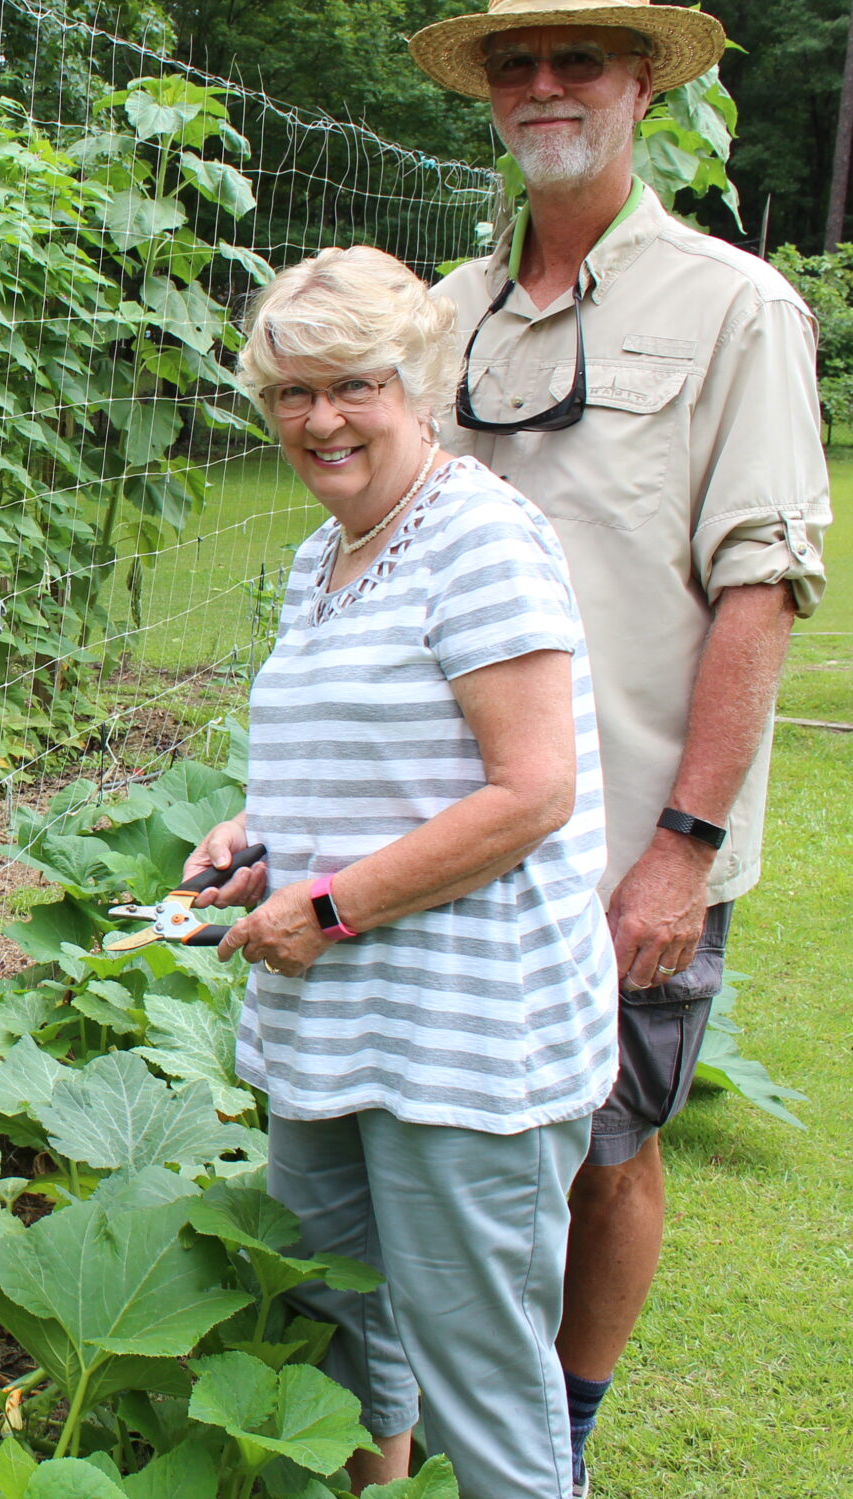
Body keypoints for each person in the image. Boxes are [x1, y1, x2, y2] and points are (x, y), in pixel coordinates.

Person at [408, 0, 829, 1496]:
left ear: (642, 81)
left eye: (579, 54)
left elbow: (762, 586)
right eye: (516, 61)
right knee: (453, 1145)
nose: (544, 85)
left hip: (623, 834)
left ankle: (557, 1440)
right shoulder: (440, 318)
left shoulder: (736, 311)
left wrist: (684, 847)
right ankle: (447, 1411)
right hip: (447, 826)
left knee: (603, 1147)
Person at [186, 246, 618, 1499]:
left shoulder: (478, 536)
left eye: (351, 384)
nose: (319, 419)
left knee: (477, 1366)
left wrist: (329, 905)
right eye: (288, 393)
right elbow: (370, 760)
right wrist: (253, 832)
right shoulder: (322, 557)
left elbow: (530, 789)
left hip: (465, 1041)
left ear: (418, 380)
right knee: (341, 1331)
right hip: (336, 1026)